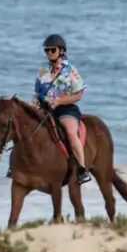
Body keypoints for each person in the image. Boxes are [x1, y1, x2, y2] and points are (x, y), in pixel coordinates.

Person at [35, 34, 91, 185]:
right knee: (25, 126)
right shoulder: (43, 71)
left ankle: (82, 169)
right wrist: (34, 105)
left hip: (66, 109)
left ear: (61, 51)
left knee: (71, 132)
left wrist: (59, 101)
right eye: (46, 50)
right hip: (45, 109)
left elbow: (79, 94)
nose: (49, 53)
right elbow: (37, 94)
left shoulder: (70, 70)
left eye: (52, 50)